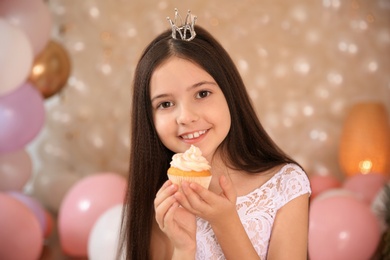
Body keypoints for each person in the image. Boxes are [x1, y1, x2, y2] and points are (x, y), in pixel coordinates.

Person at [119, 9, 311, 260]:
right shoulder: (161, 202)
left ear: (229, 93)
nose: (185, 117)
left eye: (202, 94)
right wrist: (183, 248)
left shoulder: (285, 184)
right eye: (165, 104)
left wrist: (225, 223)